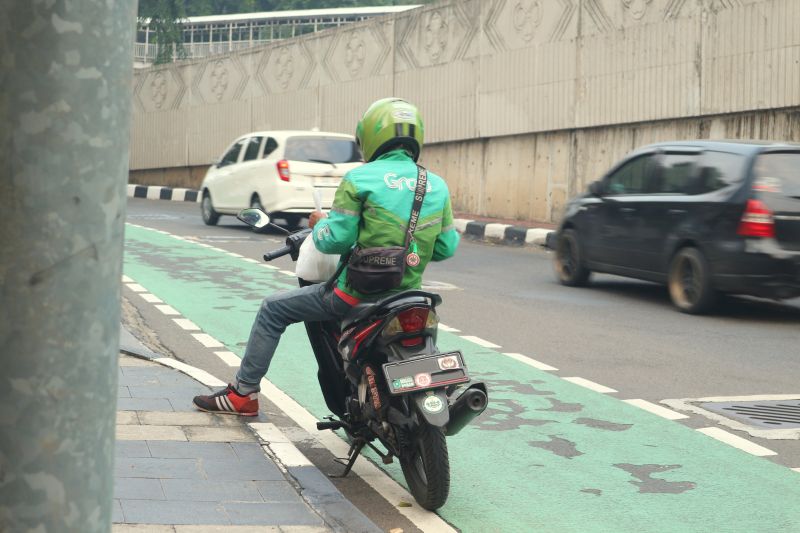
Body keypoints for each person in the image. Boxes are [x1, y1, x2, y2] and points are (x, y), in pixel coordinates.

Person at [193, 98, 460, 416]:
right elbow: (445, 248)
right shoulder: (436, 185)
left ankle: (243, 394)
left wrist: (320, 225)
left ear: (371, 137)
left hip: (355, 295)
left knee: (272, 310)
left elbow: (336, 240)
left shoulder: (360, 179)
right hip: (409, 295)